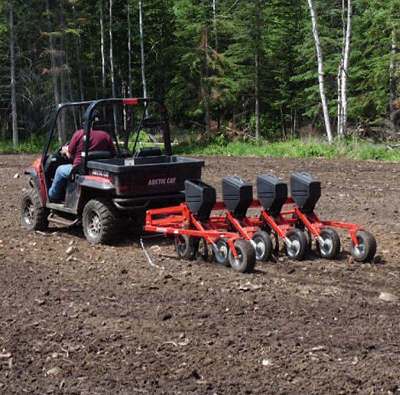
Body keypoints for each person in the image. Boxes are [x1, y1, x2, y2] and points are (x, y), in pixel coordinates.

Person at [48, 111, 117, 202]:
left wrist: (65, 150)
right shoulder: (106, 136)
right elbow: (113, 155)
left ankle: (53, 196)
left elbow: (70, 155)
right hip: (98, 171)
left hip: (80, 169)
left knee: (60, 170)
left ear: (85, 122)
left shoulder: (79, 134)